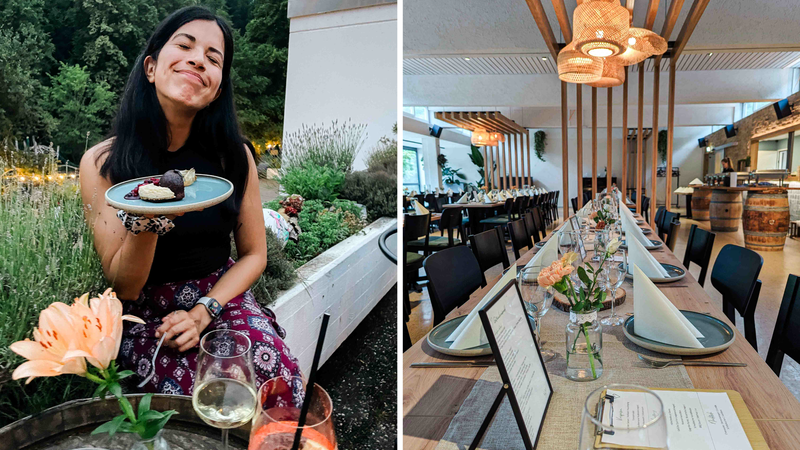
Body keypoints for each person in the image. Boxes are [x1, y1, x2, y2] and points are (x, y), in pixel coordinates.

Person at [79, 6, 302, 399]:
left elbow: (254, 256)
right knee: (189, 404)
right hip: (147, 312)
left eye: (213, 58)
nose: (198, 59)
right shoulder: (103, 164)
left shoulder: (233, 156)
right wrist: (150, 215)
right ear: (151, 67)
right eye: (184, 45)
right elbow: (126, 286)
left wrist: (204, 311)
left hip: (218, 296)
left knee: (269, 378)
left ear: (217, 87)